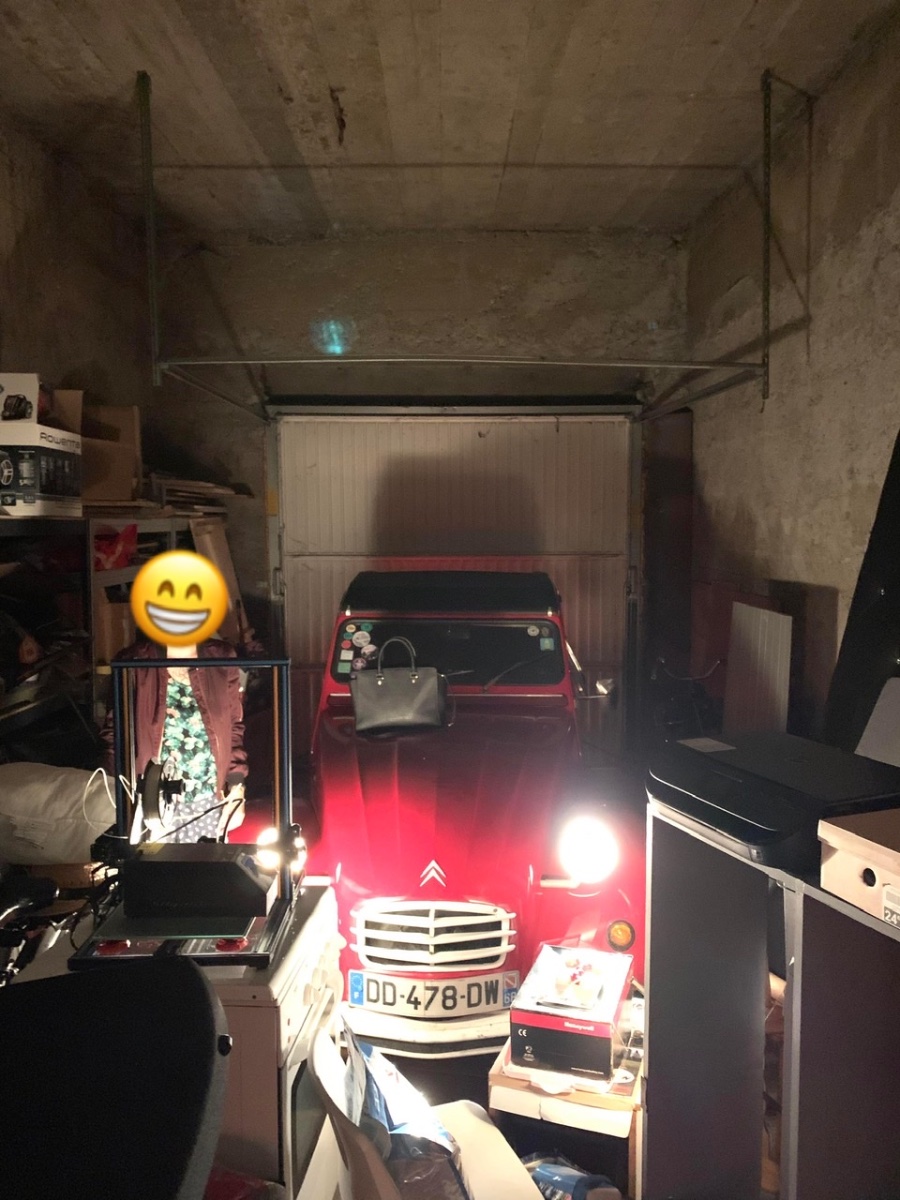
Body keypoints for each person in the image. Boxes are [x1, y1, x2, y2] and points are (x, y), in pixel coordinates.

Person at [101, 636, 248, 843]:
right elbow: (115, 733)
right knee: (155, 863)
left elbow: (233, 726)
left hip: (207, 802)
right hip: (152, 804)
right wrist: (118, 796)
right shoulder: (135, 660)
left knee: (206, 862)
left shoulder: (221, 657)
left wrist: (236, 787)